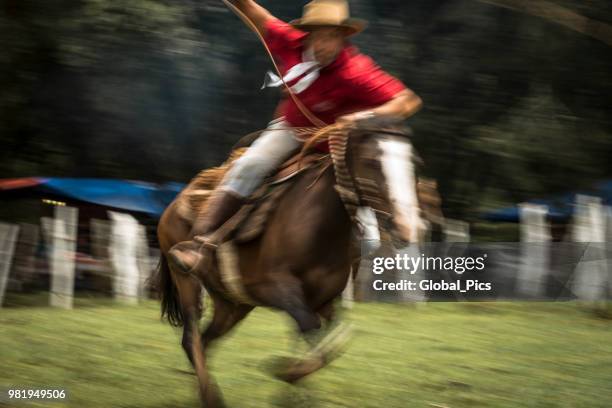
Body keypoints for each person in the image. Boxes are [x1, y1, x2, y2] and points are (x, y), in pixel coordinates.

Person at [169, 0, 423, 272]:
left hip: (339, 143)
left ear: (343, 37)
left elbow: (407, 102)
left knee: (372, 182)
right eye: (320, 36)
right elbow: (255, 12)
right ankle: (198, 243)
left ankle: (395, 228)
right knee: (250, 165)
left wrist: (363, 118)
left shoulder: (356, 70)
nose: (326, 44)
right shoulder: (289, 42)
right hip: (293, 129)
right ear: (308, 34)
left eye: (333, 37)